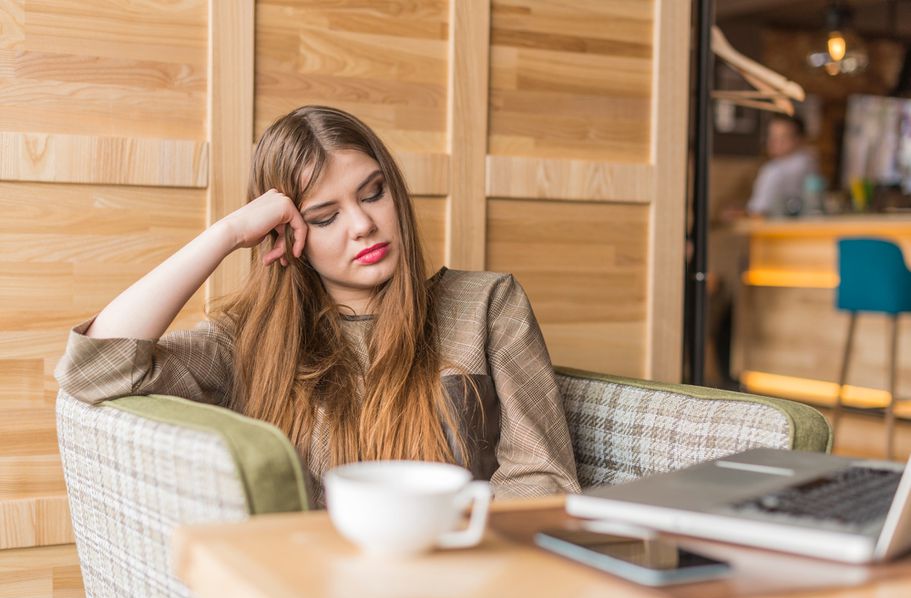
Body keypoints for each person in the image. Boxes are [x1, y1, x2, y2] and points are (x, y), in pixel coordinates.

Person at [54, 105, 581, 507]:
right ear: (287, 233)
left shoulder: (487, 305)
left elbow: (542, 478)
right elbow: (94, 367)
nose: (363, 225)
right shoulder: (248, 342)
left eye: (373, 193)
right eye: (325, 218)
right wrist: (228, 233)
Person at [746, 114, 818, 216]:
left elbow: (758, 211)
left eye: (782, 137)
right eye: (771, 136)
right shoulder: (810, 161)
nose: (774, 142)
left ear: (799, 139)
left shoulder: (774, 170)